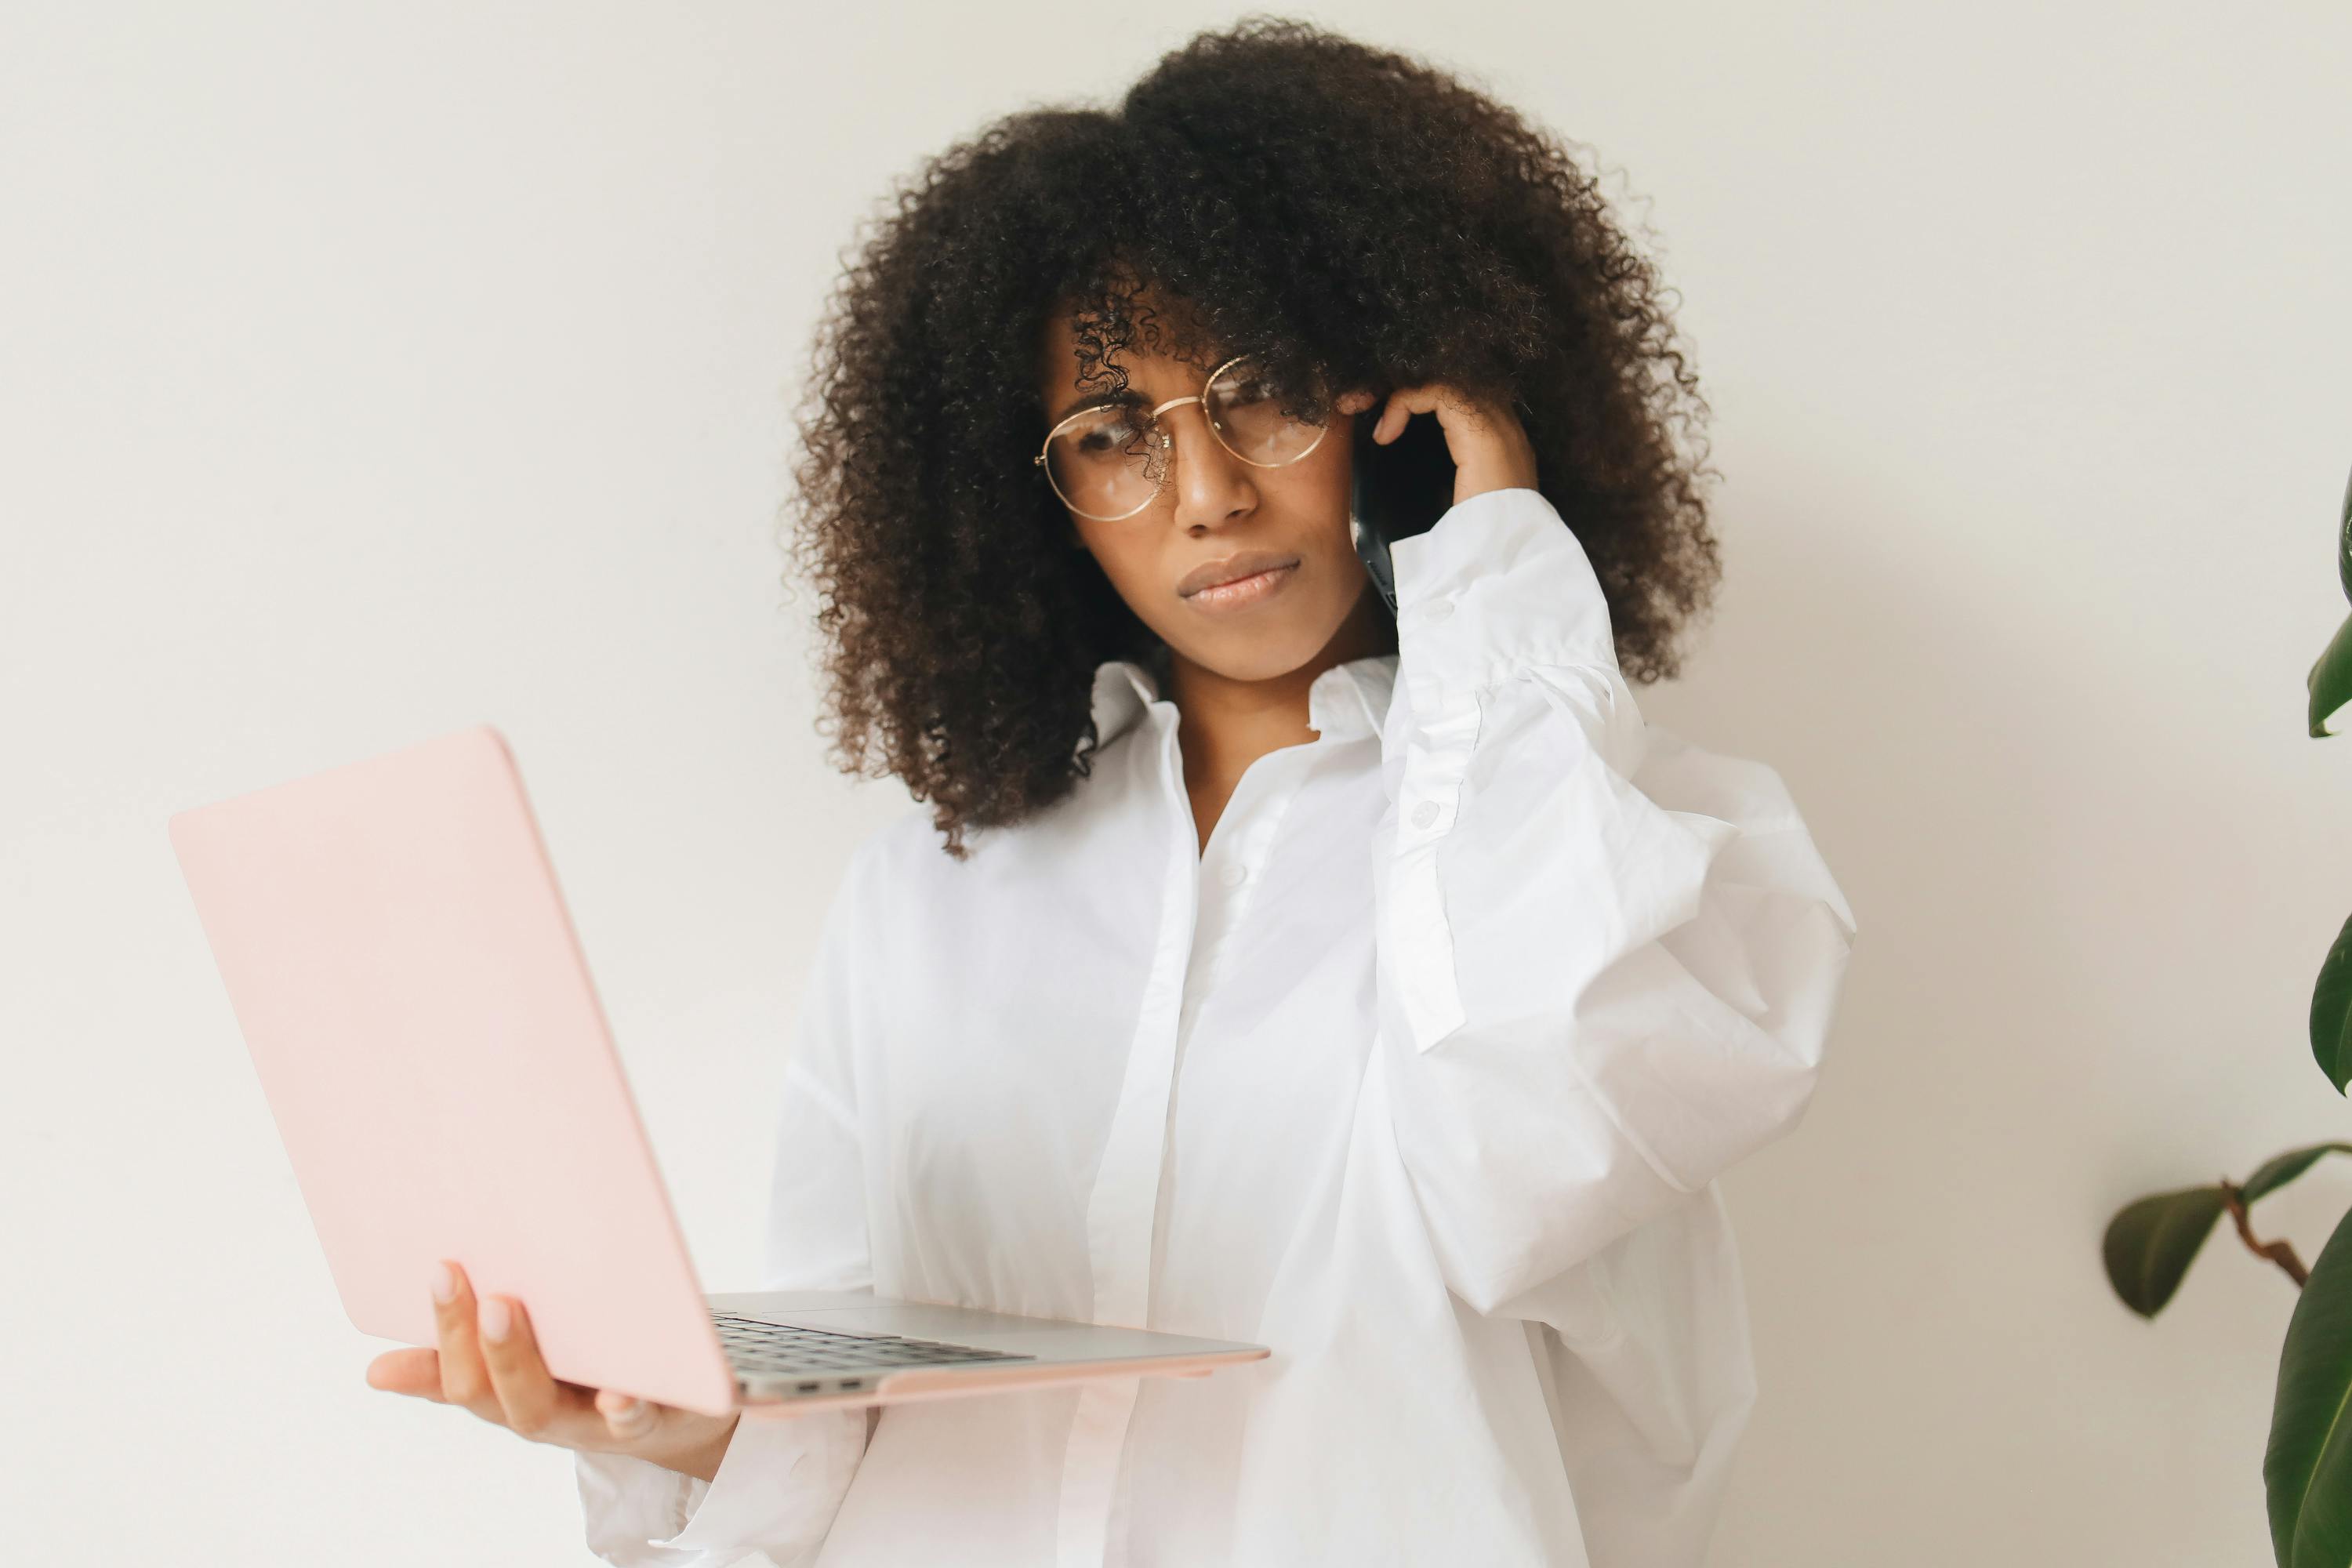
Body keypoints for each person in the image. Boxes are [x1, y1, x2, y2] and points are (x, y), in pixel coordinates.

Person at [368, 17, 1858, 1566]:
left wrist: (1491, 559)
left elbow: (1532, 1150)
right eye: (1111, 432)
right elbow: (853, 1413)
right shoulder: (930, 895)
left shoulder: (1646, 854)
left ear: (1391, 394)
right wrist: (684, 1426)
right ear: (1037, 502)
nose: (1208, 490)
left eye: (1261, 391)